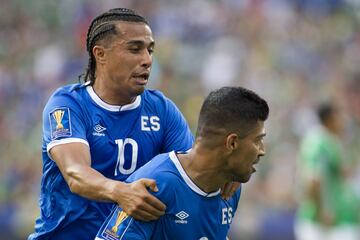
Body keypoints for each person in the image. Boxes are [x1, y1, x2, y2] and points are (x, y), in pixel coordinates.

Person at [28, 8, 195, 240]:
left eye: (150, 50)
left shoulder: (162, 110)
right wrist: (121, 191)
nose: (147, 60)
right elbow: (76, 174)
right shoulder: (68, 104)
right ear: (100, 54)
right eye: (135, 49)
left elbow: (190, 175)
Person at [95, 86, 269, 240]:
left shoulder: (229, 189)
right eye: (258, 140)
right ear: (231, 143)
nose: (262, 151)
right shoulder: (156, 185)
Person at [295, 102, 360, 240]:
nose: (344, 119)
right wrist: (323, 211)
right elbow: (313, 179)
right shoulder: (318, 142)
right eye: (340, 115)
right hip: (325, 225)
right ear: (330, 118)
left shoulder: (332, 140)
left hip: (338, 221)